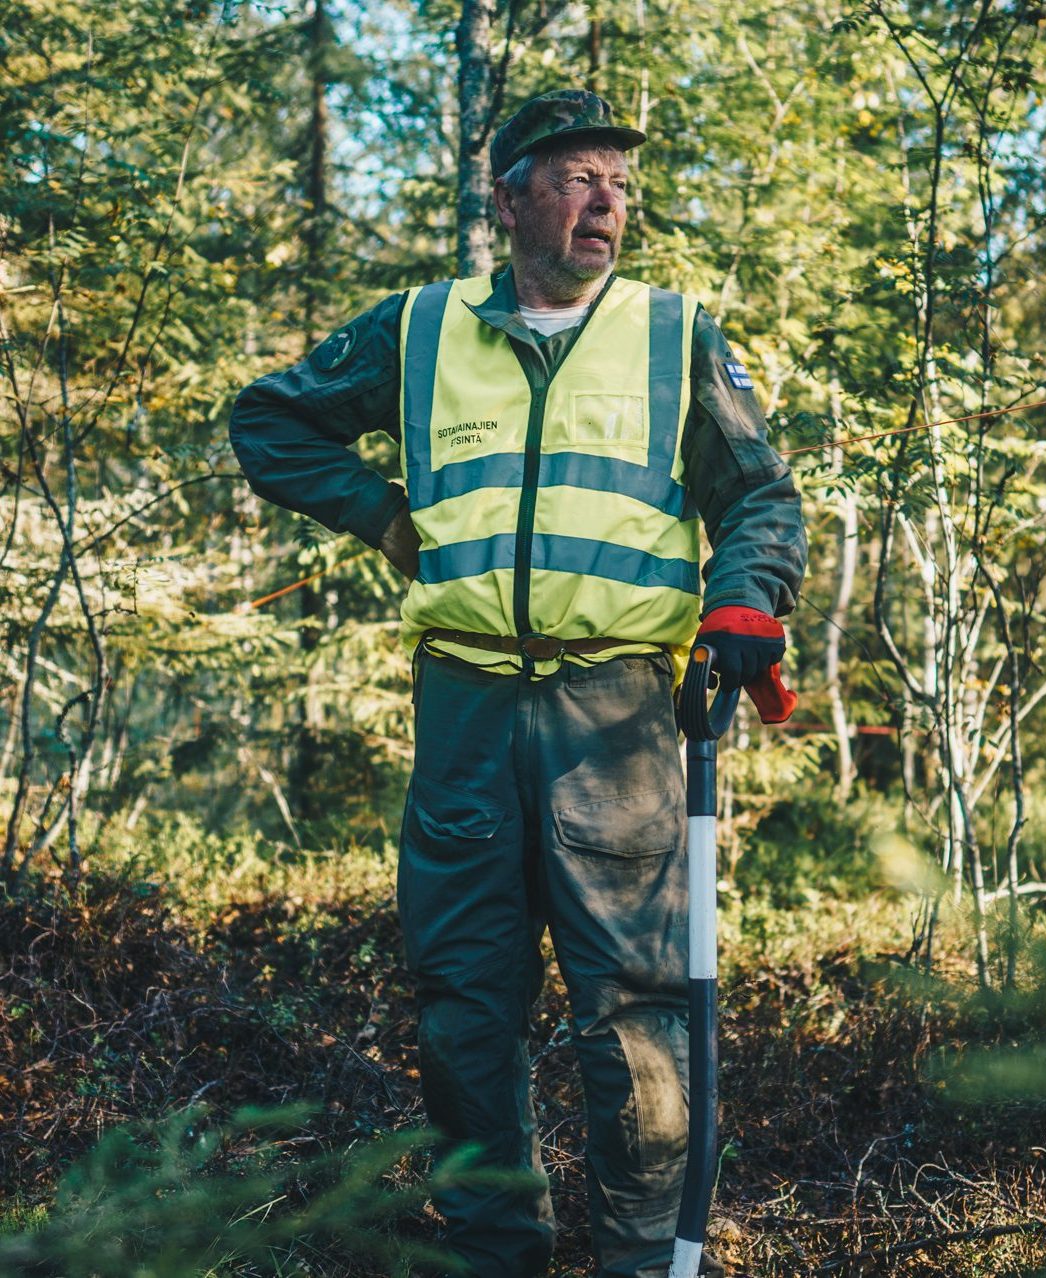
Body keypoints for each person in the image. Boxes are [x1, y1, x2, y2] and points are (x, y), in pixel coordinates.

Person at [229, 88, 806, 1278]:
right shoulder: (422, 330)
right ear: (510, 198)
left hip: (622, 725)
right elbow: (272, 423)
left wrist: (745, 600)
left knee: (637, 1014)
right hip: (465, 711)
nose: (606, 200)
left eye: (621, 183)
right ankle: (497, 1252)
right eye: (579, 175)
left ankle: (645, 1259)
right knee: (463, 1010)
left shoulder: (671, 332)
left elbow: (759, 493)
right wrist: (390, 522)